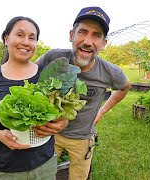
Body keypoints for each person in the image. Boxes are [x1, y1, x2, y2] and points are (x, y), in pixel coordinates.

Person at [34, 6, 131, 179]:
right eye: (83, 32)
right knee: (41, 174)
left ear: (104, 43)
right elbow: (30, 75)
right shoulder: (53, 58)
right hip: (50, 134)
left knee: (79, 176)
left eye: (96, 35)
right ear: (71, 35)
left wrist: (101, 111)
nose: (88, 41)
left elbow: (124, 88)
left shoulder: (111, 72)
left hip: (82, 138)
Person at [0, 16, 65, 180]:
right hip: (5, 169)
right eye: (20, 35)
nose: (26, 42)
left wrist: (63, 123)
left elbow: (62, 113)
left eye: (32, 38)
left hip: (45, 164)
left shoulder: (48, 75)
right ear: (7, 39)